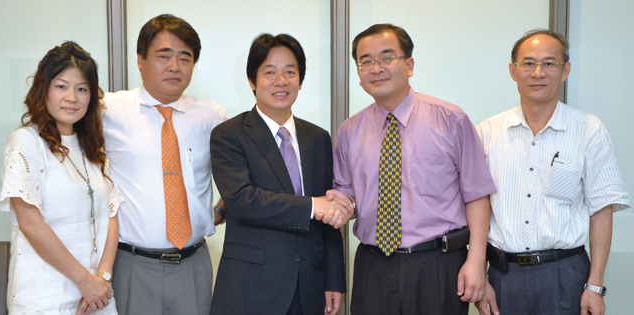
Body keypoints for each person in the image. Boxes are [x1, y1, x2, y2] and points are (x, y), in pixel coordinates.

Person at [333, 24, 497, 314]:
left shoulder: (451, 119)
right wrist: (337, 206)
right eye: (366, 61)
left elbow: (477, 195)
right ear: (358, 76)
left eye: (387, 57)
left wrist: (476, 261)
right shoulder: (348, 131)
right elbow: (348, 198)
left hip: (437, 265)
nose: (376, 68)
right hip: (373, 265)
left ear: (409, 65)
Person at [475, 29, 630, 315]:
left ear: (565, 70)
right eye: (528, 63)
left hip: (565, 275)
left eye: (549, 63)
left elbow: (601, 211)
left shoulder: (589, 130)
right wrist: (481, 276)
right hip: (502, 274)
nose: (538, 72)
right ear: (513, 70)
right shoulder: (487, 132)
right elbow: (475, 207)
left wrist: (595, 286)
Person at [209, 33, 349, 315]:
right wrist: (313, 204)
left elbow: (329, 219)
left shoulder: (318, 138)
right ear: (252, 81)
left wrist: (334, 279)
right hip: (250, 287)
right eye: (269, 72)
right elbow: (242, 201)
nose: (281, 81)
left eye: (290, 72)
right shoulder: (229, 135)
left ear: (300, 79)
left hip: (309, 284)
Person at [102, 14, 227, 315]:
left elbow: (244, 176)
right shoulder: (109, 110)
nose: (175, 66)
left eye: (185, 58)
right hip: (133, 265)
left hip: (194, 263)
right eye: (164, 56)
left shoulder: (212, 116)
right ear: (140, 60)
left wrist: (219, 212)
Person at [0, 41, 121, 315]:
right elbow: (30, 223)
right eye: (61, 86)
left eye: (82, 89)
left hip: (96, 298)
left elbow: (111, 213)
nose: (72, 98)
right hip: (44, 297)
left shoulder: (93, 146)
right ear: (44, 89)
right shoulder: (26, 142)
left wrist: (102, 278)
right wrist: (84, 280)